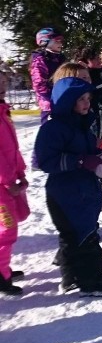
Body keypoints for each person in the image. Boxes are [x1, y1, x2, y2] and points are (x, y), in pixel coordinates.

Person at [34, 77, 102, 297]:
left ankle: (70, 279)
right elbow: (45, 161)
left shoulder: (83, 124)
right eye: (81, 99)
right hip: (65, 194)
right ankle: (93, 283)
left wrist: (100, 155)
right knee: (85, 237)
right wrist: (80, 161)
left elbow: (85, 151)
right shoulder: (53, 129)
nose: (86, 103)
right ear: (66, 101)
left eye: (88, 98)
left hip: (84, 190)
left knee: (73, 237)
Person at [70, 51, 102, 209]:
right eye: (95, 58)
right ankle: (89, 200)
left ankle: (97, 196)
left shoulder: (100, 75)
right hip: (93, 126)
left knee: (97, 161)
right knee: (88, 167)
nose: (99, 60)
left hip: (100, 123)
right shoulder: (75, 98)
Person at [0, 63, 30, 296]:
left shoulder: (3, 112)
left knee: (9, 226)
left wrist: (19, 173)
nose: (3, 87)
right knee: (6, 230)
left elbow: (11, 150)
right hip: (2, 186)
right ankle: (2, 276)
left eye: (4, 83)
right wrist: (8, 180)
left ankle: (4, 268)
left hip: (9, 181)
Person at [30, 27, 66, 123]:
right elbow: (39, 84)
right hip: (50, 105)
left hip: (64, 103)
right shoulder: (40, 59)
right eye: (57, 41)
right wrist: (55, 98)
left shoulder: (60, 58)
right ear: (45, 41)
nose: (60, 43)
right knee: (52, 132)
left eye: (61, 41)